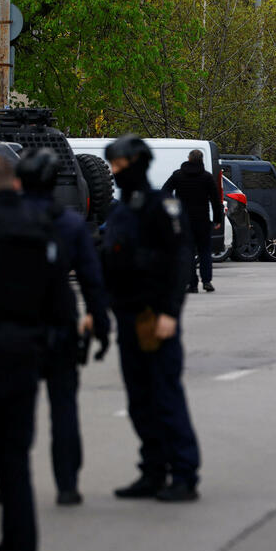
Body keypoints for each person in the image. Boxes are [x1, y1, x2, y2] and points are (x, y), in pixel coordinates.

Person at [0, 154, 72, 551]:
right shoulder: (41, 230)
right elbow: (60, 304)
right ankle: (20, 549)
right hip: (23, 362)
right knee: (15, 466)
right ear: (14, 185)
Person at [102, 135, 202, 502]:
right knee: (139, 399)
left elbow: (179, 261)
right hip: (128, 316)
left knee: (165, 396)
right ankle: (153, 471)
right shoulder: (121, 209)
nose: (114, 173)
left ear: (137, 165)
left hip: (155, 316)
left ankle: (184, 474)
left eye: (119, 166)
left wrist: (170, 313)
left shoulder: (163, 206)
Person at [17, 148, 111, 507]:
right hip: (59, 326)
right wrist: (101, 327)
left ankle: (11, 476)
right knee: (64, 411)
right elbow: (91, 281)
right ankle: (67, 482)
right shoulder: (69, 224)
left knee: (14, 411)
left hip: (13, 330)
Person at [162, 150, 222, 293]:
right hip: (202, 220)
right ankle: (207, 281)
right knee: (205, 251)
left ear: (189, 159)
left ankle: (192, 284)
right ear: (201, 160)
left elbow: (165, 191)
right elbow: (215, 199)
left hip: (183, 221)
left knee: (187, 252)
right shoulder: (206, 177)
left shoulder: (178, 175)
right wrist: (217, 219)